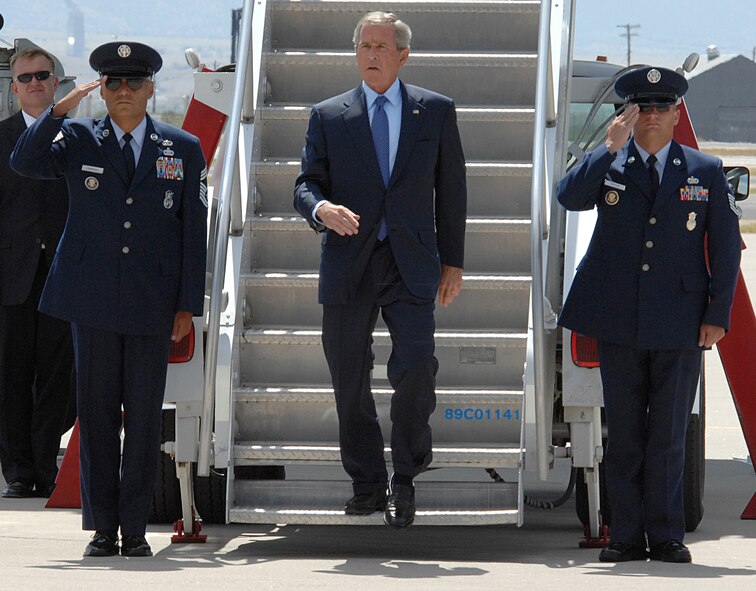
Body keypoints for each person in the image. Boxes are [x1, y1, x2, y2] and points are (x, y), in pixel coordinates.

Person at [11, 41, 207, 557]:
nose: (123, 92)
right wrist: (59, 108)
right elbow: (25, 161)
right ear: (101, 89)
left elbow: (193, 232)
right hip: (90, 298)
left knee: (144, 418)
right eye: (113, 83)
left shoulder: (181, 147)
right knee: (96, 415)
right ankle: (102, 528)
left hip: (153, 301)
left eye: (133, 83)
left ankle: (136, 528)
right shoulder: (77, 137)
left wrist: (188, 303)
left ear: (149, 90)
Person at [557, 66, 741, 563]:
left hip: (680, 321)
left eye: (663, 107)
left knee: (668, 434)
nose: (654, 116)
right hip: (618, 318)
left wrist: (717, 315)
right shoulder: (610, 164)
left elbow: (726, 249)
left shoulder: (704, 169)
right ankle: (624, 535)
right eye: (643, 108)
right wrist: (606, 147)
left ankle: (665, 535)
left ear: (677, 113)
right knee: (625, 434)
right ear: (628, 113)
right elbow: (569, 198)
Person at [293, 11, 467, 528]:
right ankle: (368, 483)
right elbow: (305, 184)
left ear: (402, 55)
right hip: (349, 263)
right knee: (349, 379)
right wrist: (320, 210)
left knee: (416, 369)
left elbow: (452, 191)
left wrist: (453, 261)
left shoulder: (434, 112)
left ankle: (408, 476)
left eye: (380, 47)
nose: (370, 55)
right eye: (363, 46)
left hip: (411, 263)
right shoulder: (329, 115)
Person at [0, 48, 75, 500]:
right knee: (10, 375)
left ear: (55, 83)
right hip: (11, 276)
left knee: (57, 377)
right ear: (13, 87)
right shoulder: (0, 138)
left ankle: (47, 467)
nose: (33, 83)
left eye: (42, 75)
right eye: (24, 77)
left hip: (63, 275)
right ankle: (17, 472)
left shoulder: (81, 137)